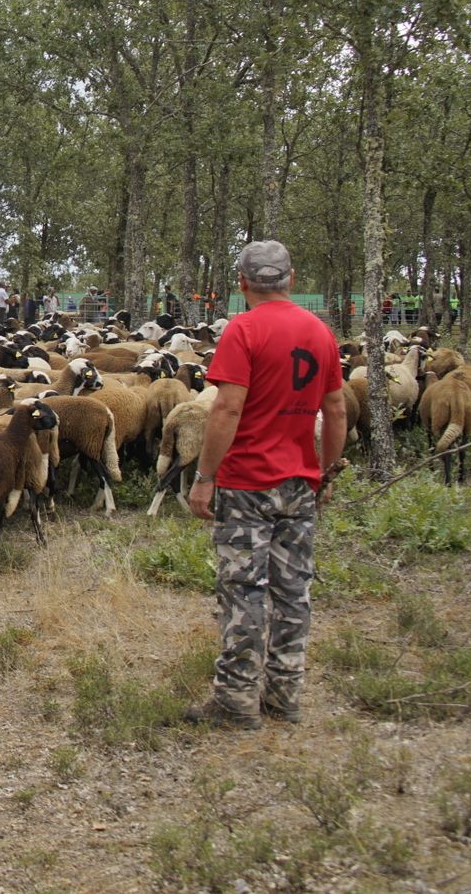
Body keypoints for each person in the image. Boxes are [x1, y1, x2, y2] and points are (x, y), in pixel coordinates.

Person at [185, 240, 346, 729]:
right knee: (294, 588)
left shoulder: (244, 329)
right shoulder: (320, 332)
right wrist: (326, 471)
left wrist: (205, 476)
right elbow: (335, 408)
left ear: (242, 284)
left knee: (243, 588)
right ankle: (284, 692)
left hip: (246, 481)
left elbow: (227, 408)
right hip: (299, 480)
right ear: (291, 279)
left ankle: (235, 700)